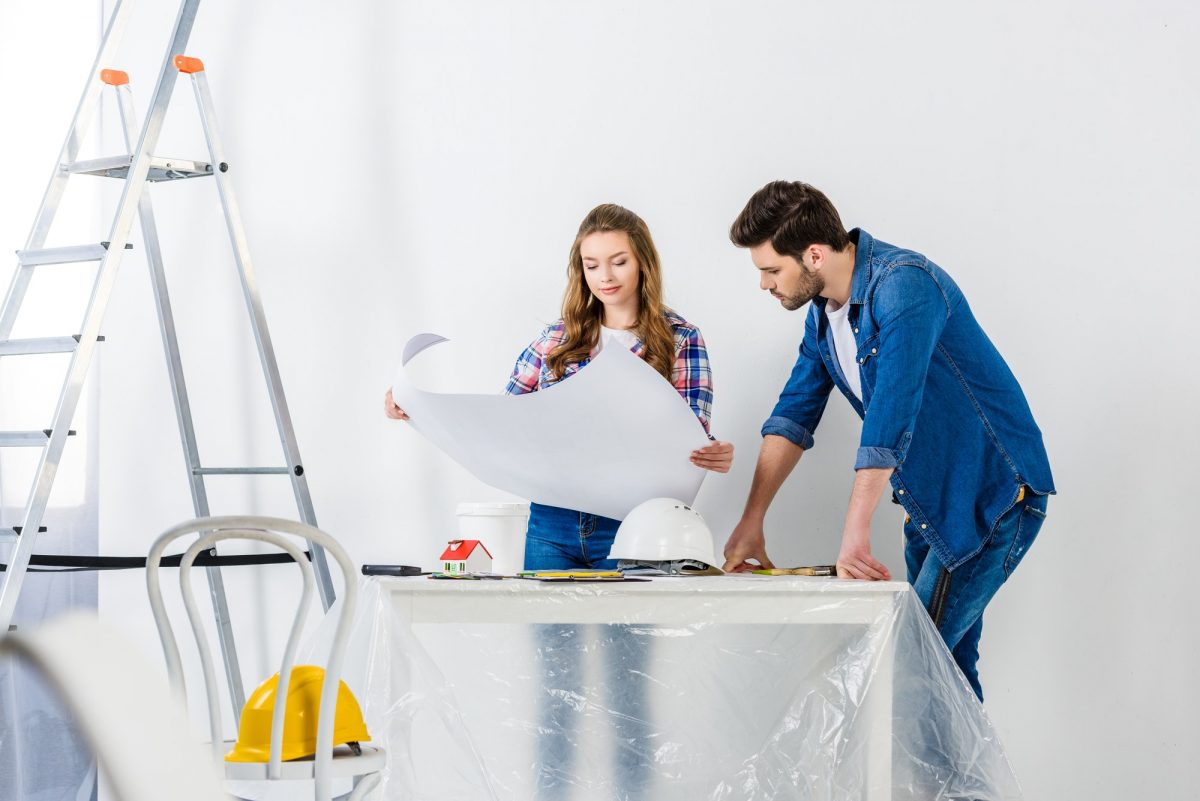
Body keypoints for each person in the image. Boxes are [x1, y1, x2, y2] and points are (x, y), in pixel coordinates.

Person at [385, 202, 733, 797]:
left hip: (632, 533)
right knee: (554, 689)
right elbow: (504, 421)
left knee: (628, 691)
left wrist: (711, 452)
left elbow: (691, 431)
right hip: (550, 528)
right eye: (592, 264)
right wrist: (416, 407)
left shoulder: (680, 338)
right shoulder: (558, 339)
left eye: (619, 261)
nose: (607, 276)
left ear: (644, 263)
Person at [721, 180, 1054, 701]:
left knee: (910, 668)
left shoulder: (904, 284)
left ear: (814, 254)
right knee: (948, 680)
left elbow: (892, 412)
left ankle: (927, 786)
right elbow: (793, 414)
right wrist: (751, 521)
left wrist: (856, 529)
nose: (764, 284)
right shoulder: (825, 316)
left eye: (770, 270)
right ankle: (960, 786)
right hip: (930, 507)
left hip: (987, 499)